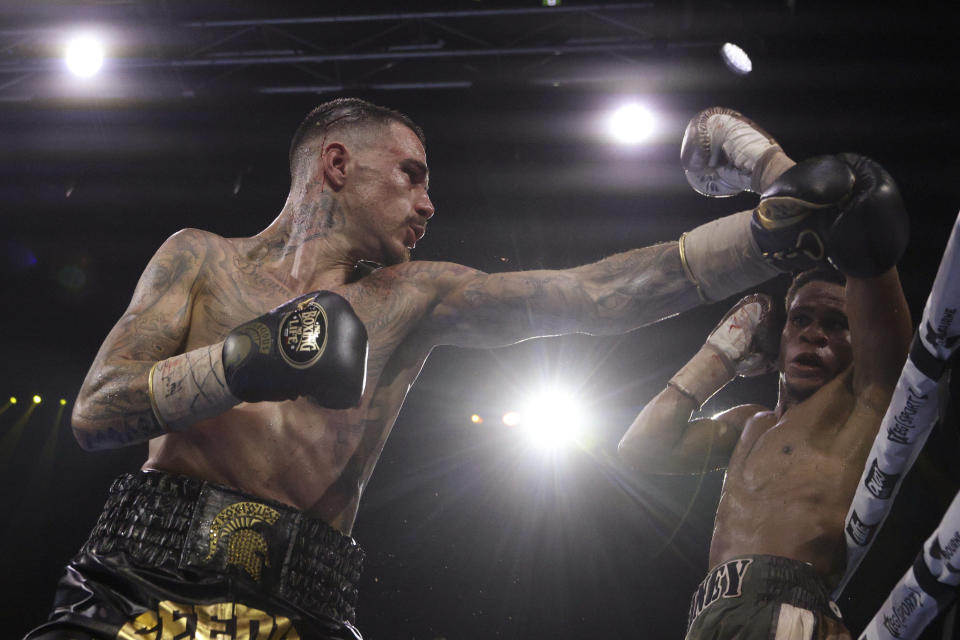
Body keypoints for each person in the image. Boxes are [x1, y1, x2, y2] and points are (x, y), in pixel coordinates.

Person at [26, 100, 899, 640]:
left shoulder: (417, 296)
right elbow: (96, 411)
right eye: (410, 175)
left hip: (299, 601)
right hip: (138, 580)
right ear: (337, 163)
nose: (429, 203)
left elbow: (589, 296)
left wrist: (761, 239)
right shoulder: (199, 261)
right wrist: (242, 363)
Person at [617, 156, 913, 636]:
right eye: (801, 320)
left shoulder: (862, 398)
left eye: (836, 325)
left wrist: (836, 206)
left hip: (788, 609)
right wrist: (719, 355)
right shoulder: (746, 423)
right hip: (708, 617)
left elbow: (875, 273)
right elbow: (638, 449)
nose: (814, 334)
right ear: (778, 337)